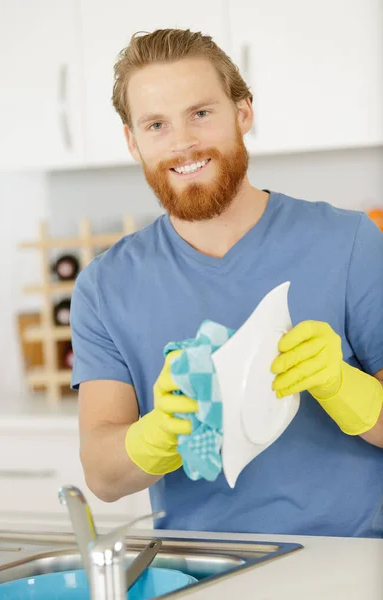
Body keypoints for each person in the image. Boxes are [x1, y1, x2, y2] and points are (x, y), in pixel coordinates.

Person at [70, 28, 383, 538]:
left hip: (353, 559)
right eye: (155, 124)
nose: (182, 143)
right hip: (201, 567)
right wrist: (160, 433)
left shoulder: (350, 243)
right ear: (133, 141)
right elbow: (103, 476)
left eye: (201, 113)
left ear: (243, 113)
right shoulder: (106, 287)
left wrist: (343, 386)